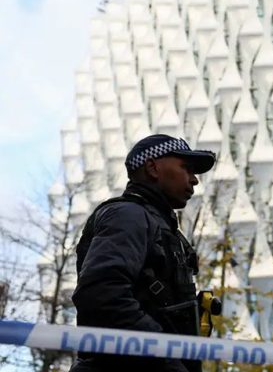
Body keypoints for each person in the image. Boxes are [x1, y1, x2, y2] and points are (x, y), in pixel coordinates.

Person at [69, 135, 216, 372]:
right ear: (152, 167)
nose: (194, 180)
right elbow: (102, 296)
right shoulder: (128, 216)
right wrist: (165, 355)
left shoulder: (160, 226)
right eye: (186, 168)